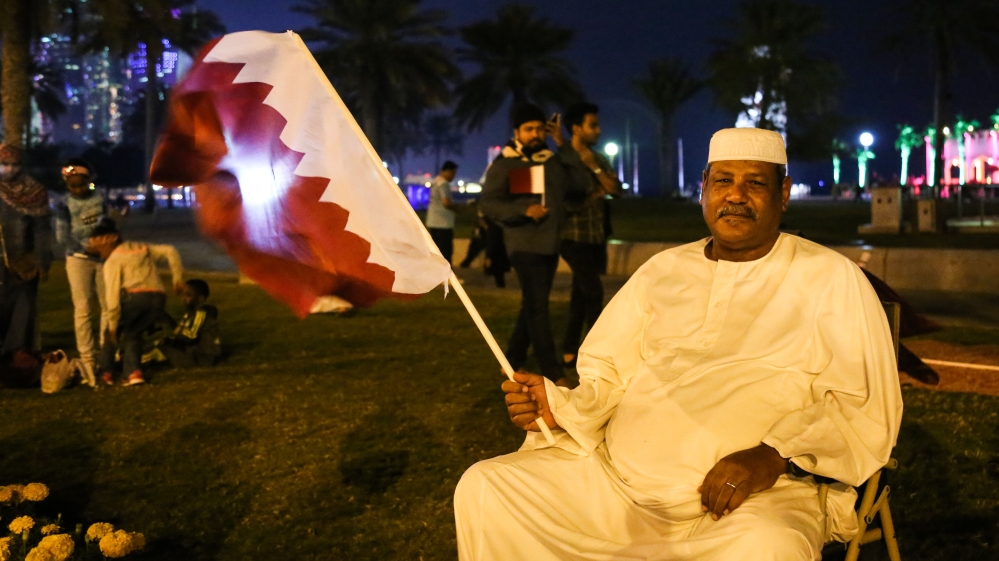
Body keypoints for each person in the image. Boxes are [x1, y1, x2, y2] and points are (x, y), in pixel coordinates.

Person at [455, 128, 902, 560]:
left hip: (749, 501)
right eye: (723, 180)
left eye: (756, 183)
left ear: (783, 193)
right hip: (614, 487)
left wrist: (773, 456)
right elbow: (607, 376)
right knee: (488, 486)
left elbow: (861, 403)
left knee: (768, 546)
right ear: (704, 186)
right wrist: (562, 407)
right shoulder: (662, 270)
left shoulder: (831, 278)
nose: (736, 195)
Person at [479, 104, 589, 387]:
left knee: (532, 303)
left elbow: (580, 184)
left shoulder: (551, 161)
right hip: (523, 244)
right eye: (529, 129)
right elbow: (489, 204)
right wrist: (524, 211)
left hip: (551, 243)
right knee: (539, 307)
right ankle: (553, 373)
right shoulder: (505, 163)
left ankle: (512, 360)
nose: (535, 134)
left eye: (540, 129)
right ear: (517, 132)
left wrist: (563, 146)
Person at [558, 102, 622, 367]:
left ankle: (570, 348)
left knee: (580, 293)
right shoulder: (562, 160)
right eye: (592, 125)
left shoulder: (598, 158)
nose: (598, 129)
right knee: (594, 292)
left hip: (595, 236)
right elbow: (565, 200)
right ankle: (593, 353)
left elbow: (615, 189)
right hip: (571, 236)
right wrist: (595, 192)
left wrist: (593, 167)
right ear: (576, 128)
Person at [89, 219, 184, 386]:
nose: (98, 253)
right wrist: (177, 279)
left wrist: (112, 324)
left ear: (107, 242)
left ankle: (105, 373)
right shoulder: (141, 247)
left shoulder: (113, 261)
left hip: (137, 297)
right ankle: (133, 373)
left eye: (98, 249)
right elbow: (170, 250)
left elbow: (112, 296)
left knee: (113, 333)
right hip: (159, 297)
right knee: (134, 332)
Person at [54, 158, 111, 376]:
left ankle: (107, 352)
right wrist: (87, 247)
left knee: (109, 306)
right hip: (78, 258)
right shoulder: (63, 204)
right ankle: (87, 357)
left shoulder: (100, 198)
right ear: (66, 184)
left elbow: (106, 223)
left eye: (82, 184)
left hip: (103, 258)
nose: (78, 189)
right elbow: (62, 236)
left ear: (90, 180)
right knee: (83, 308)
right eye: (73, 186)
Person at [0, 144, 52, 358]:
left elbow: (42, 230)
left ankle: (17, 354)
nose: (9, 169)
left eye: (14, 164)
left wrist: (40, 261)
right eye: (4, 164)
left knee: (22, 309)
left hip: (23, 261)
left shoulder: (35, 191)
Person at [144, 278, 221, 368]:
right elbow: (180, 333)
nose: (183, 299)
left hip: (202, 357)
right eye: (183, 295)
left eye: (188, 295)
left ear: (201, 298)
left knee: (163, 349)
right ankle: (131, 358)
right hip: (193, 353)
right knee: (163, 343)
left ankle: (130, 364)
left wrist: (169, 322)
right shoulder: (191, 313)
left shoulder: (203, 311)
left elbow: (191, 336)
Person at [425, 161, 459, 264]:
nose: (453, 176)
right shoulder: (443, 184)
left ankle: (438, 278)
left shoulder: (435, 181)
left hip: (433, 222)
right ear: (447, 171)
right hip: (443, 224)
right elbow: (446, 202)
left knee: (437, 252)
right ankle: (447, 278)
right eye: (453, 173)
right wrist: (458, 209)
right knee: (446, 252)